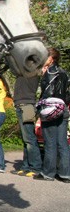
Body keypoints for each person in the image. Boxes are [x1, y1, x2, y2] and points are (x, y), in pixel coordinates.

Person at [34, 48, 70, 183]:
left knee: (49, 141)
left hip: (51, 108)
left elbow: (48, 93)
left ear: (51, 58)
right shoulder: (64, 73)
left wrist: (40, 108)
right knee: (62, 143)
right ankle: (65, 174)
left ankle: (48, 173)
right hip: (63, 108)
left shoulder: (49, 72)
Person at [12, 75, 42, 177]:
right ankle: (26, 166)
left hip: (27, 106)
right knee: (26, 139)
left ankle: (36, 167)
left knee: (30, 138)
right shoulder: (22, 70)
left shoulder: (31, 69)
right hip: (21, 105)